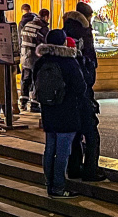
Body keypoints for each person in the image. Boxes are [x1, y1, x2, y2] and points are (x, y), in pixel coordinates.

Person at [33, 29, 86, 199]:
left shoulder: (40, 62)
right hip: (67, 111)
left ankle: (49, 184)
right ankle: (59, 187)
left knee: (50, 149)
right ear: (63, 42)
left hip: (48, 111)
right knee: (63, 151)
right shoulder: (69, 62)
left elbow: (36, 85)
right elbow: (81, 87)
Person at [63, 11, 104, 182]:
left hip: (64, 100)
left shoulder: (59, 39)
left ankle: (73, 168)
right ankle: (90, 169)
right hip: (82, 96)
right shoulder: (83, 43)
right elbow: (88, 77)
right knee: (91, 134)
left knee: (74, 135)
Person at [19, 10, 50, 112]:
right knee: (36, 81)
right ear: (45, 17)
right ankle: (34, 104)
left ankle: (23, 102)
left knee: (25, 79)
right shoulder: (42, 28)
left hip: (24, 57)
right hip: (36, 58)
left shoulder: (27, 25)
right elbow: (45, 45)